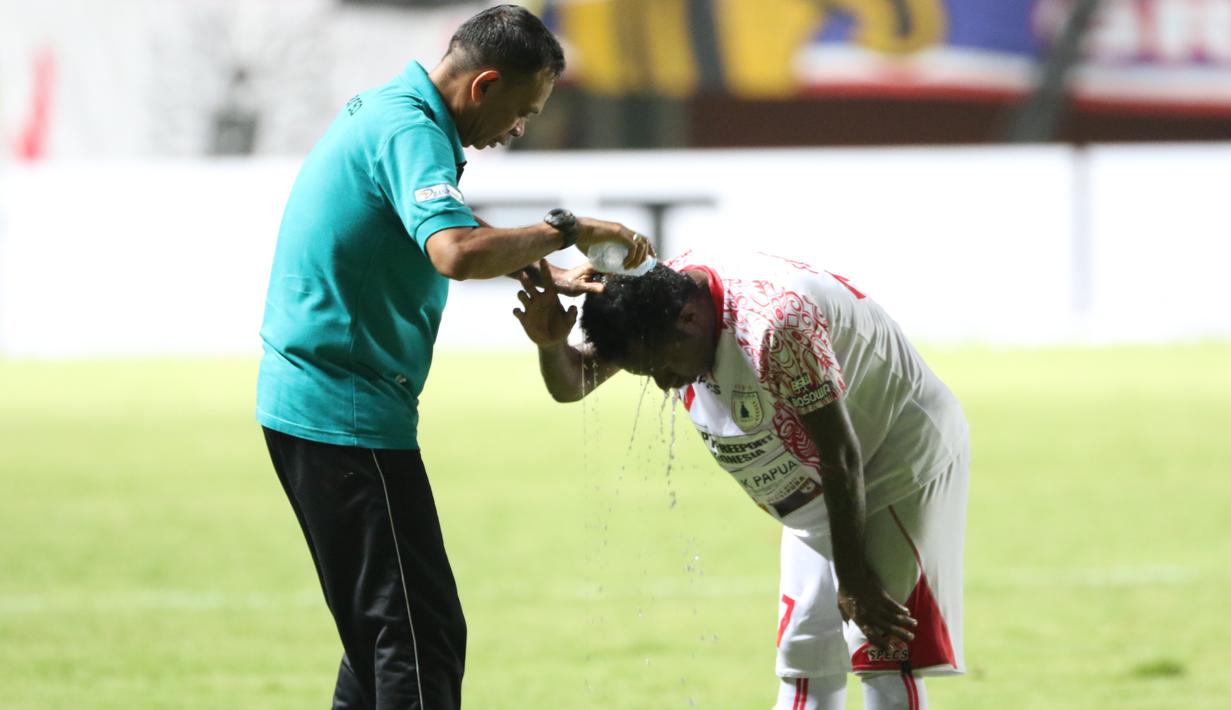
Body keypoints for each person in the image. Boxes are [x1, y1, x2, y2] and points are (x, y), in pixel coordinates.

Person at [256, 6, 651, 709]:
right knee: (419, 640)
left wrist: (555, 275)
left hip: (317, 406)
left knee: (382, 639)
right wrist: (566, 230)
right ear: (485, 84)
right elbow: (453, 252)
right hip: (344, 414)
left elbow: (439, 232)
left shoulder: (395, 110)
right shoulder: (413, 131)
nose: (518, 130)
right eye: (521, 112)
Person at [513, 250, 969, 710]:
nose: (667, 386)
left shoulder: (774, 323)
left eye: (664, 368)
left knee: (882, 651)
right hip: (819, 487)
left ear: (689, 320)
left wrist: (852, 579)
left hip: (896, 457)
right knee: (805, 656)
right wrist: (552, 346)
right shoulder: (656, 304)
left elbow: (840, 453)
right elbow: (574, 384)